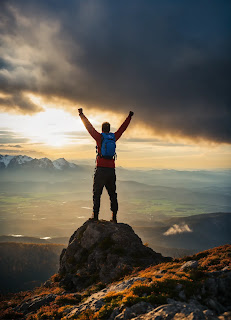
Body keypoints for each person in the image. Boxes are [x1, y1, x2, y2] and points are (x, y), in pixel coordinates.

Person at [78, 108, 134, 223]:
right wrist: (129, 117)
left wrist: (81, 115)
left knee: (97, 193)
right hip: (111, 170)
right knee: (112, 193)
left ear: (102, 130)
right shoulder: (114, 137)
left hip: (101, 170)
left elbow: (89, 127)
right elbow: (122, 128)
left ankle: (95, 216)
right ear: (109, 130)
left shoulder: (99, 137)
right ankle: (114, 217)